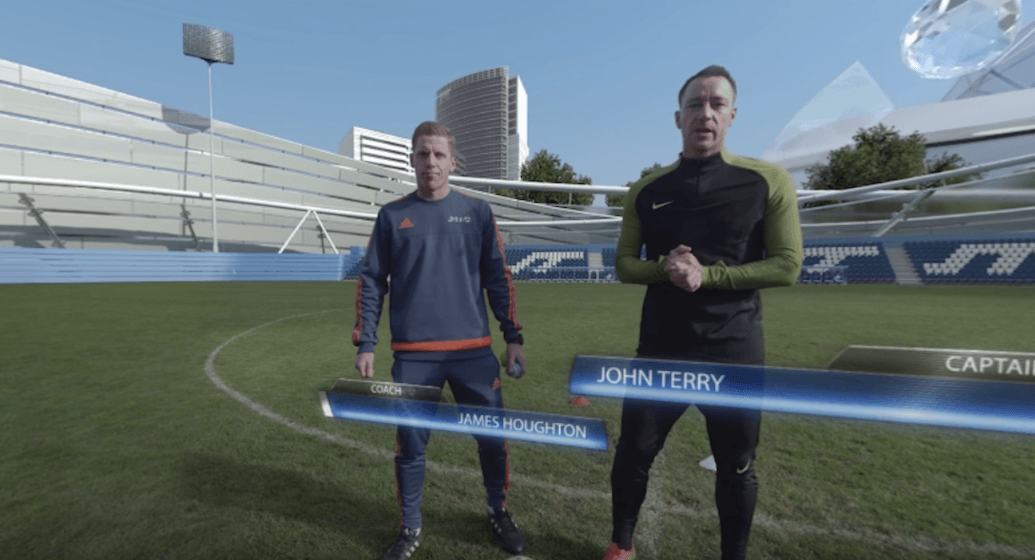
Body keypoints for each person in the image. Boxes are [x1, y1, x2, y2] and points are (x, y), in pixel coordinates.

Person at [603, 65, 803, 560]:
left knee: (737, 464)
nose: (705, 113)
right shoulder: (647, 190)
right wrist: (666, 267)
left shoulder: (767, 181)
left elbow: (787, 265)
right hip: (662, 347)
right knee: (633, 453)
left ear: (732, 115)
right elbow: (624, 265)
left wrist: (705, 275)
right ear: (678, 117)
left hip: (733, 349)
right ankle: (621, 545)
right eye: (694, 104)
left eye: (717, 104)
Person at [352, 121, 528, 560]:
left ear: (453, 162)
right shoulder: (391, 216)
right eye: (422, 153)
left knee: (492, 439)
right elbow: (372, 281)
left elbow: (498, 277)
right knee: (411, 446)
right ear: (411, 160)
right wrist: (366, 341)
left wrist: (512, 336)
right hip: (414, 358)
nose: (430, 161)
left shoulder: (478, 212)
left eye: (438, 154)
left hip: (474, 354)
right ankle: (410, 526)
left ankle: (498, 509)